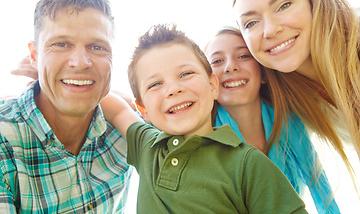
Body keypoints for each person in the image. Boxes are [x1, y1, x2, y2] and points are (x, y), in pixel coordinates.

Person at [101, 23, 308, 213]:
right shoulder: (146, 145)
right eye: (155, 84)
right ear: (143, 108)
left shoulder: (248, 163)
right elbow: (117, 109)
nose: (174, 89)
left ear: (212, 85)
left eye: (185, 74)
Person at [0, 0, 131, 213]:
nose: (80, 62)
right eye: (61, 44)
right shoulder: (5, 142)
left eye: (97, 47)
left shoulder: (125, 130)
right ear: (34, 56)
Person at [232, 0, 359, 185]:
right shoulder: (284, 97)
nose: (270, 30)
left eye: (284, 5)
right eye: (251, 22)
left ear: (313, 0)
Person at [205, 27, 339, 213]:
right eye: (217, 61)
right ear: (209, 82)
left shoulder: (290, 124)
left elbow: (321, 189)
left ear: (264, 75)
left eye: (243, 56)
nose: (230, 66)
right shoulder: (202, 139)